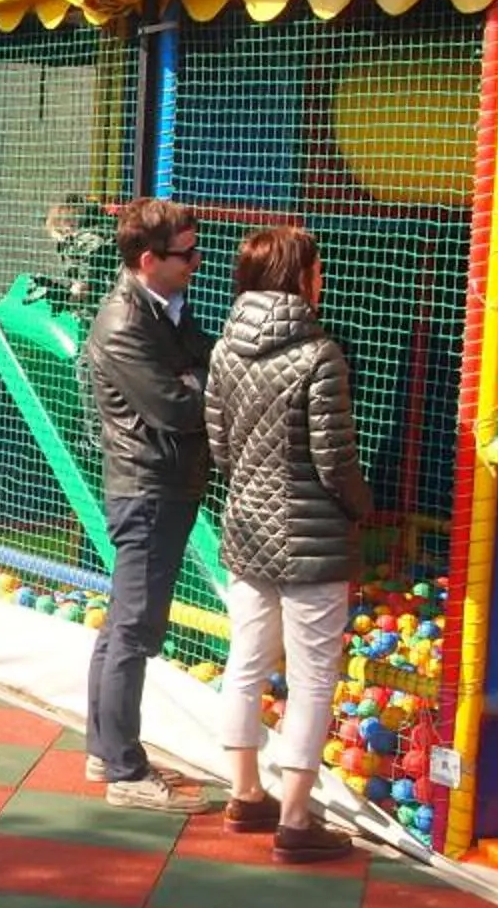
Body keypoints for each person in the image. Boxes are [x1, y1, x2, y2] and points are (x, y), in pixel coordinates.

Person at [204, 222, 373, 864]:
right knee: (310, 679)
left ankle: (245, 792)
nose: (321, 279)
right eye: (315, 269)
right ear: (299, 278)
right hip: (312, 540)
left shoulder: (223, 351)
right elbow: (333, 459)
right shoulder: (319, 354)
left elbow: (220, 448)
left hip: (246, 530)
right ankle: (296, 818)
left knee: (245, 662)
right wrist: (361, 506)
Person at [80, 195, 222, 810]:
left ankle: (104, 748)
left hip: (162, 483)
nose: (197, 261)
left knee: (123, 625)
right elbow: (177, 408)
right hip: (147, 487)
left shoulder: (165, 307)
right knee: (135, 628)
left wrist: (196, 376)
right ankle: (124, 770)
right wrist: (196, 381)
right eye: (186, 254)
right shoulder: (124, 322)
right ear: (148, 259)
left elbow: (203, 362)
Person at [44, 195, 114, 322]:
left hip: (102, 309)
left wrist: (70, 296)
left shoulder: (85, 241)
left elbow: (84, 283)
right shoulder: (102, 231)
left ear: (67, 227)